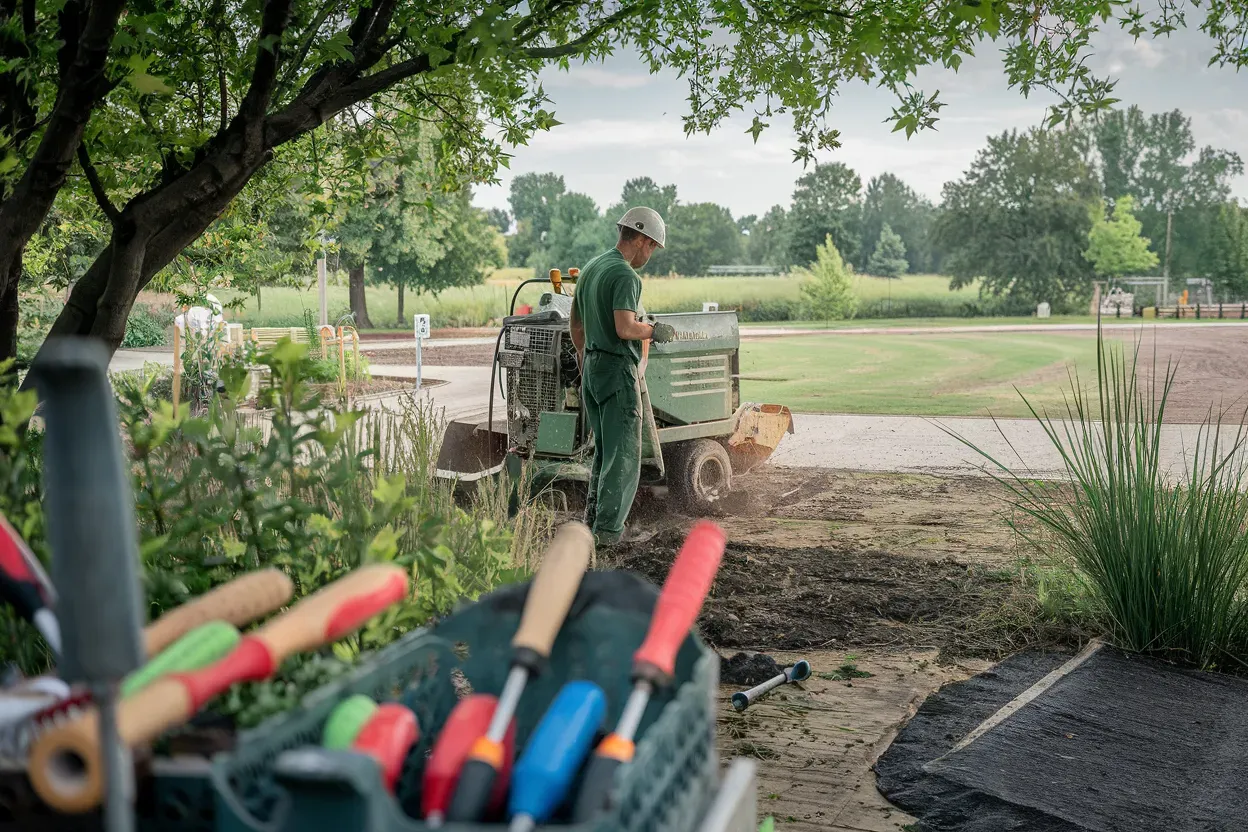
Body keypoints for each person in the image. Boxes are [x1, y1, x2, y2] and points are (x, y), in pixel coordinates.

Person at [570, 207, 675, 547]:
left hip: (593, 370)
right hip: (616, 372)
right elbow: (625, 326)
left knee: (604, 452)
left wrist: (587, 358)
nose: (651, 255)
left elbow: (576, 325)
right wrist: (654, 331)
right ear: (642, 239)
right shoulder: (627, 277)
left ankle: (592, 523)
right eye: (652, 247)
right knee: (625, 457)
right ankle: (607, 536)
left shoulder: (591, 268)